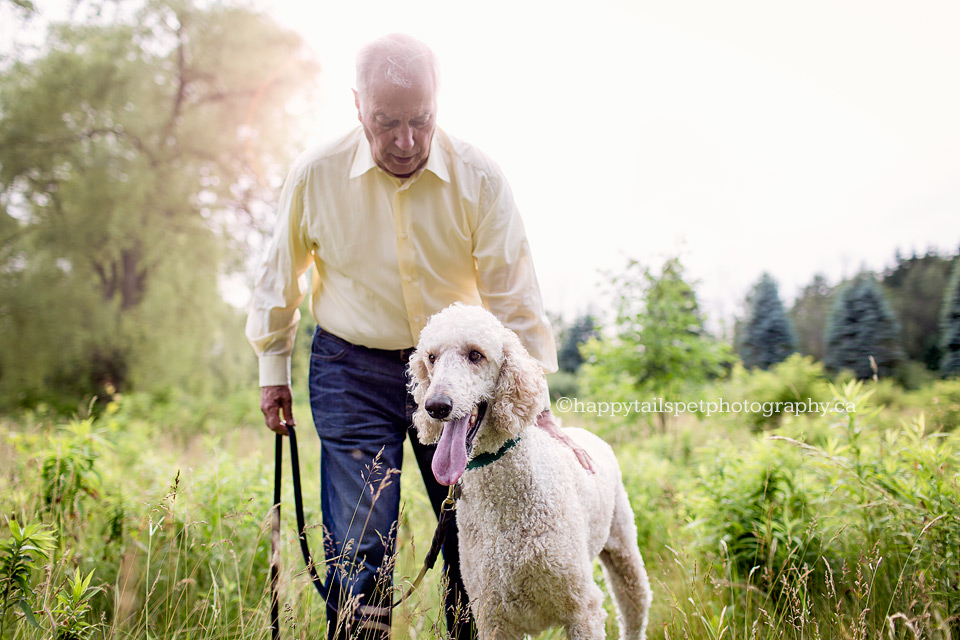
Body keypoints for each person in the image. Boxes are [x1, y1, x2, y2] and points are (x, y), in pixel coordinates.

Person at [246, 33, 588, 640]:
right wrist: (274, 370)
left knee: (471, 539)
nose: (405, 141)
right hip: (350, 368)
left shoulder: (478, 175)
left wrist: (536, 408)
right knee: (359, 545)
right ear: (358, 107)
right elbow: (280, 278)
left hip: (461, 374)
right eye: (386, 123)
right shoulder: (315, 175)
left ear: (438, 105)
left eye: (420, 121)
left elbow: (513, 294)